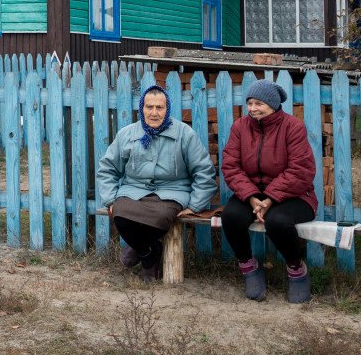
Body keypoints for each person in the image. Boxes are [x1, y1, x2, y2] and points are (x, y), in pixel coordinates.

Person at [96, 84, 217, 281]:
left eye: (159, 108)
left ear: (167, 109)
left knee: (161, 217)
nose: (153, 113)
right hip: (133, 191)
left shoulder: (184, 134)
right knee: (119, 212)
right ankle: (148, 253)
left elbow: (204, 171)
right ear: (141, 108)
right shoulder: (127, 134)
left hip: (172, 192)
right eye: (149, 107)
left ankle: (142, 252)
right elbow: (108, 168)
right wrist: (110, 199)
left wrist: (195, 204)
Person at [220, 79, 317, 303]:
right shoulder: (240, 127)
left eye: (259, 103)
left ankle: (296, 268)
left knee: (278, 221)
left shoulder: (293, 127)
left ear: (273, 104)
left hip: (294, 194)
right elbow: (230, 166)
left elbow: (301, 170)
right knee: (231, 216)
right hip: (252, 193)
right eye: (250, 103)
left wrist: (271, 198)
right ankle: (249, 266)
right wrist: (253, 197)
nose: (253, 109)